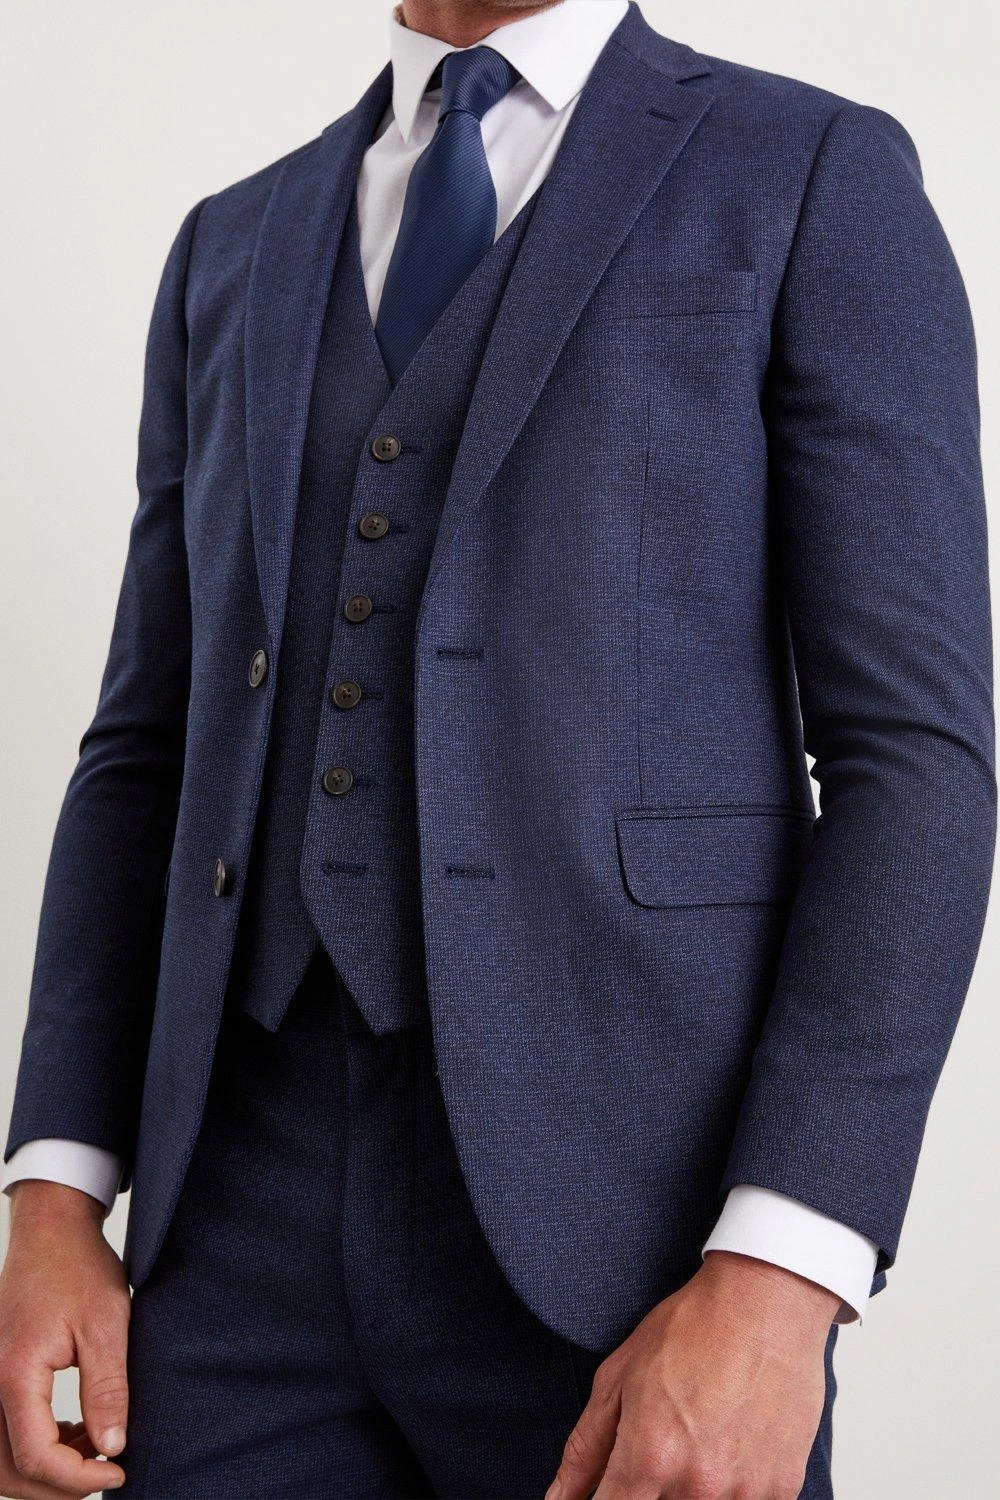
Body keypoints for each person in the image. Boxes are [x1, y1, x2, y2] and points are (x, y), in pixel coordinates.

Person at [0, 1, 993, 1496]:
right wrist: (55, 1193)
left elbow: (914, 759)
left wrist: (787, 1269)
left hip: (643, 1236)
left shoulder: (808, 172)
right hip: (235, 1233)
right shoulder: (229, 244)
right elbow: (144, 749)